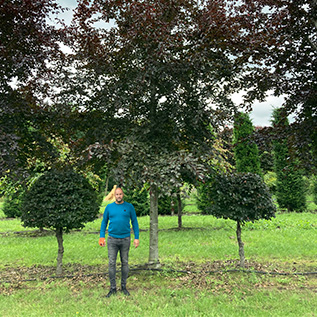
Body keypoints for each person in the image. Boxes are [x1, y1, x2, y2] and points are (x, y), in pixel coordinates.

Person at [99, 187, 140, 297]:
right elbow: (104, 222)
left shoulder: (129, 207)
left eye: (120, 194)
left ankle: (123, 287)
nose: (119, 196)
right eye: (117, 194)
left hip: (125, 239)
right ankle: (113, 288)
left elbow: (134, 222)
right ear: (114, 195)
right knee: (112, 263)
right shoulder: (109, 207)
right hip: (112, 239)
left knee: (125, 262)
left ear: (123, 195)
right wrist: (101, 237)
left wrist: (137, 237)